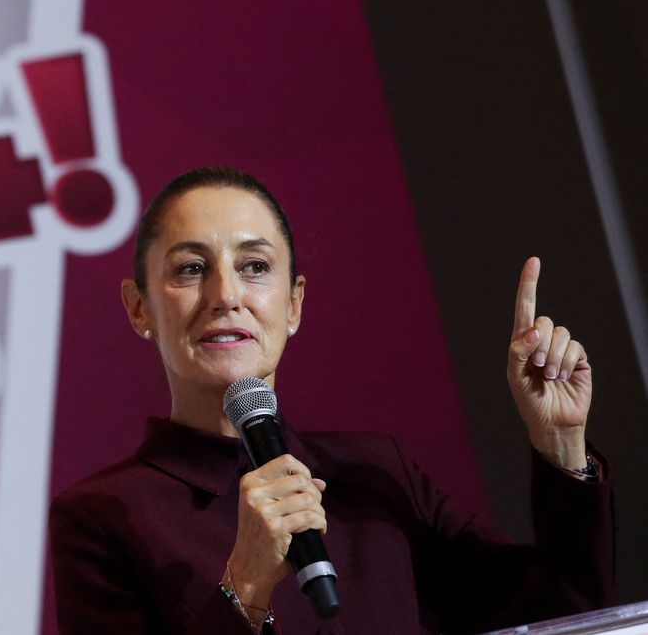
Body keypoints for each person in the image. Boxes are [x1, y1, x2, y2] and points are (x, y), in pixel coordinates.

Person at [49, 167, 614, 634]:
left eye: (255, 267)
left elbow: (563, 615)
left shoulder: (376, 472)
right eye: (192, 269)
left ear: (293, 304)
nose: (226, 296)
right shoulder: (102, 517)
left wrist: (560, 442)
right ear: (139, 308)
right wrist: (244, 587)